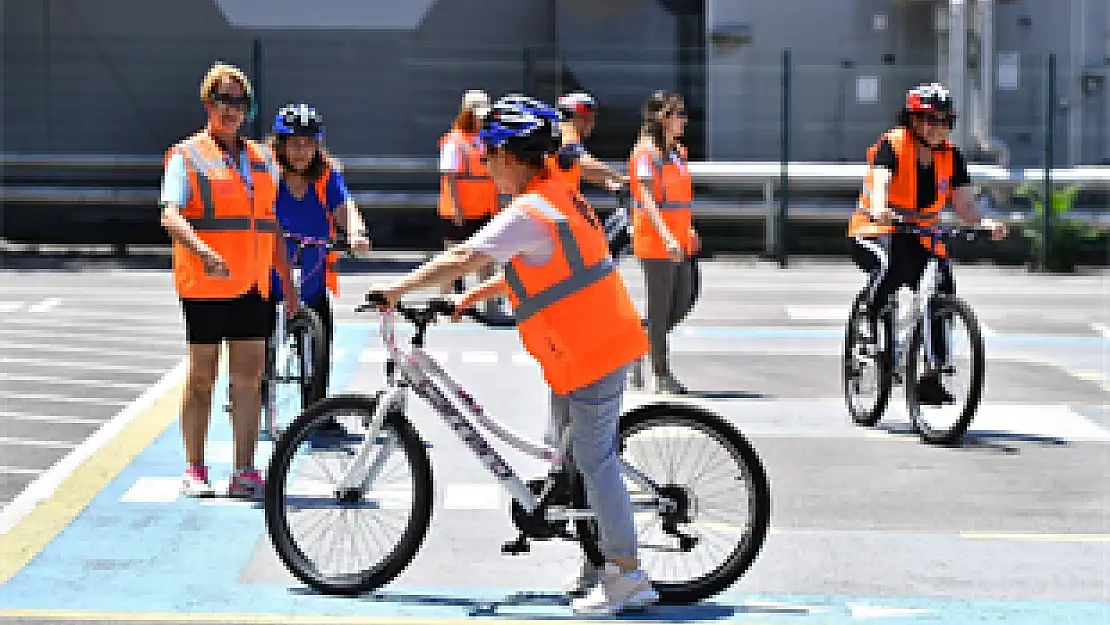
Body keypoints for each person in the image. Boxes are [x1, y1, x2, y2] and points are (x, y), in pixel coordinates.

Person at [369, 94, 659, 616]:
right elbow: (533, 269)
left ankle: (626, 575)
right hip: (579, 348)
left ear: (511, 155)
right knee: (567, 456)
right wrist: (467, 299)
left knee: (594, 460)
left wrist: (398, 289)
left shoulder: (531, 209)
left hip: (593, 348)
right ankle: (596, 563)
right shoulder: (555, 196)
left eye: (488, 155)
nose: (484, 165)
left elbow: (464, 255)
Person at [159, 61, 297, 499]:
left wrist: (287, 283)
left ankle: (244, 470)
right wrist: (202, 251)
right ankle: (195, 468)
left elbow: (269, 224)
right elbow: (169, 213)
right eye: (222, 99)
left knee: (249, 378)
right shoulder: (187, 155)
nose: (231, 109)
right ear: (207, 103)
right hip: (205, 285)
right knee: (202, 378)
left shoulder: (262, 158)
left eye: (239, 101)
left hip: (253, 286)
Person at [848, 82, 1007, 405]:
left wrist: (984, 222)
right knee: (890, 266)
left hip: (919, 235)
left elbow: (965, 206)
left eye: (946, 120)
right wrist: (881, 208)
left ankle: (930, 376)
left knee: (943, 285)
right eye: (931, 119)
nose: (939, 127)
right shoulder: (893, 144)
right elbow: (881, 180)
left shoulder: (952, 157)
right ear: (913, 120)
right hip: (874, 230)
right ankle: (868, 321)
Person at [266, 102, 371, 404]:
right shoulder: (268, 176)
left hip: (311, 280)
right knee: (254, 347)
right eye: (294, 143)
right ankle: (251, 395)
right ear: (280, 144)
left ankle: (316, 412)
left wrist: (355, 233)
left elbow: (345, 208)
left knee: (320, 343)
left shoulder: (325, 177)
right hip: (270, 280)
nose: (301, 151)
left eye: (308, 144)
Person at [628, 90, 699, 395]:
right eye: (679, 114)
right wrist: (667, 236)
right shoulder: (645, 154)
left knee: (682, 302)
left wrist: (689, 229)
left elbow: (680, 197)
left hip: (679, 239)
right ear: (663, 118)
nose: (685, 120)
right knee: (659, 309)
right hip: (657, 242)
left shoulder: (677, 153)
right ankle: (661, 373)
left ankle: (635, 344)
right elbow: (647, 199)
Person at [438, 89, 499, 295]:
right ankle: (446, 300)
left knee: (486, 258)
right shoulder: (454, 141)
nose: (482, 121)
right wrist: (456, 208)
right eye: (478, 116)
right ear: (467, 113)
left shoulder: (486, 140)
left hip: (484, 210)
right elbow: (450, 178)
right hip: (460, 211)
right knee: (453, 258)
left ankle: (488, 303)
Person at [554, 91, 627, 193]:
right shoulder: (568, 131)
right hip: (553, 200)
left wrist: (609, 184)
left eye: (592, 118)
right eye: (584, 118)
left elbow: (581, 169)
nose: (591, 124)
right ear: (568, 117)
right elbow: (585, 162)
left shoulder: (562, 134)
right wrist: (620, 177)